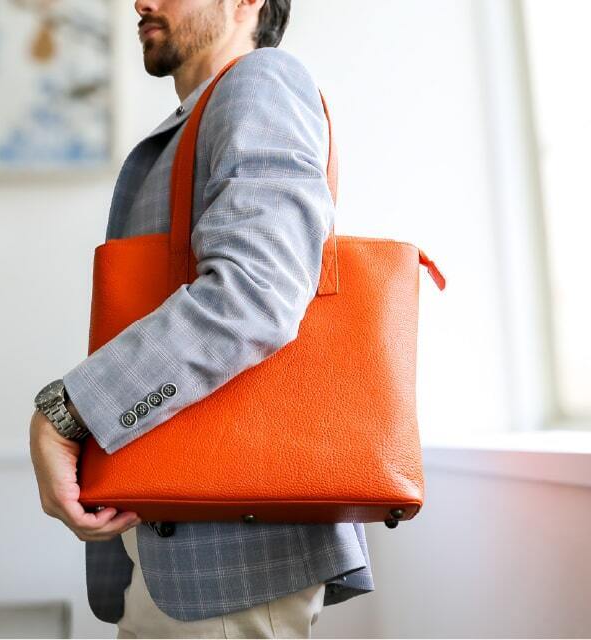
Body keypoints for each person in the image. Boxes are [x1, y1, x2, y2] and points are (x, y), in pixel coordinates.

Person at [29, 0, 373, 636]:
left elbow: (256, 291)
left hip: (229, 561)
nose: (141, 2)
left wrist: (68, 412)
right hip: (178, 552)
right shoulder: (203, 115)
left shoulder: (261, 81)